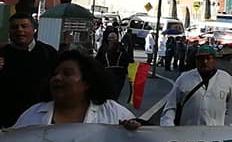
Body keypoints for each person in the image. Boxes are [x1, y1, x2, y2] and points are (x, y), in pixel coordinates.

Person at [13, 50, 141, 129]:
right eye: (55, 74)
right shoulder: (32, 114)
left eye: (67, 73)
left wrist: (133, 133)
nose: (57, 78)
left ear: (87, 82)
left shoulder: (113, 113)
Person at [0, 13, 60, 128]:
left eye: (24, 26)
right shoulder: (2, 53)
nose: (19, 30)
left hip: (40, 120)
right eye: (14, 27)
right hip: (6, 122)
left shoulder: (48, 53)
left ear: (34, 29)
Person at [160, 45, 232, 126]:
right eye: (200, 58)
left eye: (208, 58)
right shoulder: (184, 78)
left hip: (216, 132)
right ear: (196, 60)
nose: (204, 62)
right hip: (188, 131)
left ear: (214, 60)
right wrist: (168, 125)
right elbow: (170, 105)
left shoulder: (226, 78)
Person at [96, 31, 134, 100]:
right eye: (110, 38)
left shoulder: (121, 48)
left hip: (119, 75)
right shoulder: (104, 48)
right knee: (107, 94)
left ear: (116, 39)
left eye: (113, 38)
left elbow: (128, 59)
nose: (111, 40)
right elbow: (98, 60)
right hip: (107, 74)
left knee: (115, 94)